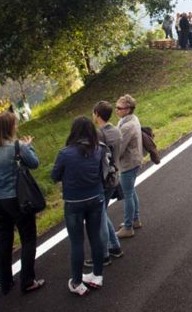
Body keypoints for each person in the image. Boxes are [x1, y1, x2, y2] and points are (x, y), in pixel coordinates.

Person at [0, 111, 45, 295]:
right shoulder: (17, 147)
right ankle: (28, 281)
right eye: (15, 124)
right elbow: (34, 163)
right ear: (10, 128)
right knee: (28, 238)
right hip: (17, 199)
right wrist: (28, 147)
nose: (17, 127)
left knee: (4, 239)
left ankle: (5, 281)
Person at [51, 116, 105, 295]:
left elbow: (55, 176)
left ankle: (76, 282)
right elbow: (99, 172)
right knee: (95, 236)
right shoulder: (98, 149)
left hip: (74, 202)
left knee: (77, 242)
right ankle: (97, 275)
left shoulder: (65, 153)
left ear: (73, 131)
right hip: (96, 197)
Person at [88, 101, 124, 268]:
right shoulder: (117, 130)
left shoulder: (97, 134)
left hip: (102, 179)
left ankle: (103, 255)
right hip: (114, 176)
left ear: (97, 114)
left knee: (99, 217)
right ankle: (115, 246)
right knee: (102, 213)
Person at [115, 94, 143, 239]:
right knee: (130, 191)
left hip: (128, 164)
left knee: (127, 195)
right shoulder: (131, 119)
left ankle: (128, 227)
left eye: (119, 108)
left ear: (127, 109)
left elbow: (119, 149)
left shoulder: (127, 126)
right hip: (133, 161)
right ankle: (135, 219)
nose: (116, 110)